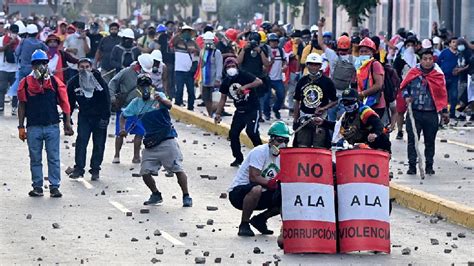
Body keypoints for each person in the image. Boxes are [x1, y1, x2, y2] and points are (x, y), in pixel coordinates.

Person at [119, 74, 192, 207]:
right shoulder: (136, 103)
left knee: (177, 168)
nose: (145, 89)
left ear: (151, 86)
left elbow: (170, 106)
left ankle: (186, 195)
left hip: (166, 139)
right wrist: (122, 129)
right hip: (151, 141)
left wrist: (162, 101)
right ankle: (156, 194)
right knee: (145, 171)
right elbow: (123, 115)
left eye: (147, 85)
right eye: (142, 86)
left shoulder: (159, 96)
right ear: (138, 89)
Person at [17, 49, 74, 197]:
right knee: (35, 158)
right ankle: (37, 186)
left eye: (43, 63)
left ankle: (54, 187)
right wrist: (21, 126)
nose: (40, 66)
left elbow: (64, 103)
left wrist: (67, 123)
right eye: (37, 63)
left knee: (53, 157)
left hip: (52, 126)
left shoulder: (54, 82)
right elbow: (22, 105)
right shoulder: (25, 83)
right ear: (32, 66)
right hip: (33, 127)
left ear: (47, 64)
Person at [228, 121, 290, 236]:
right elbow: (254, 177)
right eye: (280, 141)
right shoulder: (260, 152)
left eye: (286, 141)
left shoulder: (283, 157)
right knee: (256, 188)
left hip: (263, 193)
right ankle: (244, 224)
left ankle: (260, 219)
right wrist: (273, 184)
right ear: (271, 139)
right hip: (240, 194)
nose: (283, 145)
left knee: (286, 195)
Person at [400, 48, 449, 175]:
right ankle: (412, 166)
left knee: (430, 140)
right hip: (414, 112)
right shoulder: (413, 73)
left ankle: (429, 166)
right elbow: (404, 87)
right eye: (425, 59)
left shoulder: (438, 75)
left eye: (430, 59)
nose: (427, 62)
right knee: (412, 140)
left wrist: (444, 112)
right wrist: (406, 97)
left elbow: (442, 94)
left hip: (431, 113)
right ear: (420, 60)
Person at [67, 58, 110, 180]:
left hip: (99, 117)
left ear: (91, 67)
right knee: (81, 141)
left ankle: (95, 169)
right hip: (84, 117)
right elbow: (69, 102)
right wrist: (68, 118)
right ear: (77, 68)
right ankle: (79, 169)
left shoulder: (99, 81)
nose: (84, 69)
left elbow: (106, 99)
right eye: (82, 67)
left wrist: (105, 117)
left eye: (87, 67)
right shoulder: (73, 83)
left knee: (99, 144)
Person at [215, 57, 264, 166]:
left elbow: (259, 81)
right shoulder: (226, 82)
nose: (231, 69)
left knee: (252, 132)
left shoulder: (244, 75)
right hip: (240, 110)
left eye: (233, 66)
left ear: (237, 66)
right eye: (228, 67)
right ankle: (238, 158)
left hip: (252, 109)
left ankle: (262, 156)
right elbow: (223, 98)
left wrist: (246, 86)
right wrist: (218, 113)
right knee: (233, 134)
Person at [109, 53, 154, 164]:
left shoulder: (147, 75)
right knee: (121, 131)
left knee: (140, 132)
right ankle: (117, 155)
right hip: (126, 106)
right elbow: (112, 83)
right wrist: (112, 97)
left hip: (140, 107)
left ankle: (136, 156)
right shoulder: (126, 72)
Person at [315, 89, 391, 153]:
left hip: (378, 146)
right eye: (345, 102)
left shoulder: (365, 112)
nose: (347, 104)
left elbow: (379, 125)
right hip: (361, 148)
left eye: (349, 102)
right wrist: (323, 122)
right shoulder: (346, 116)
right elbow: (339, 128)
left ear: (356, 100)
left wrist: (375, 134)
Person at [293, 53, 337, 148]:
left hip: (320, 120)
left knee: (320, 147)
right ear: (307, 65)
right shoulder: (302, 81)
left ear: (320, 66)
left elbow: (335, 101)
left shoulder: (327, 82)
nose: (313, 67)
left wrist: (323, 108)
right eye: (311, 64)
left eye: (316, 64)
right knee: (302, 146)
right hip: (304, 119)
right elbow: (297, 101)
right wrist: (295, 120)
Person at [317, 19, 356, 121]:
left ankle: (331, 136)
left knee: (331, 120)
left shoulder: (333, 56)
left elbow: (321, 43)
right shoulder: (354, 60)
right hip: (346, 94)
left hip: (332, 94)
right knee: (344, 120)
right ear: (349, 48)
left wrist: (320, 27)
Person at [14, 24, 48, 115]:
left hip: (24, 69)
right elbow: (47, 49)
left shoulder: (23, 41)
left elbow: (17, 53)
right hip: (35, 70)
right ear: (36, 33)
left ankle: (20, 108)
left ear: (27, 33)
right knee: (34, 88)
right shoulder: (40, 43)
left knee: (21, 88)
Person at [237, 31, 270, 122]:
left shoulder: (262, 50)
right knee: (244, 97)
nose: (253, 44)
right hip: (246, 77)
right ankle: (245, 114)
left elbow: (267, 64)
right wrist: (244, 50)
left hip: (257, 77)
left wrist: (260, 52)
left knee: (259, 98)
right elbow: (238, 62)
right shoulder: (243, 49)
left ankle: (259, 115)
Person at [393, 36, 419, 139]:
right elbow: (395, 72)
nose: (410, 47)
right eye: (408, 45)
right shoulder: (400, 58)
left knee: (413, 110)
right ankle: (399, 130)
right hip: (402, 86)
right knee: (400, 110)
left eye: (412, 45)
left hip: (415, 87)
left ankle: (412, 130)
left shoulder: (417, 58)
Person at [355, 37, 386, 118]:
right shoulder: (360, 66)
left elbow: (378, 85)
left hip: (376, 104)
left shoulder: (375, 64)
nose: (363, 54)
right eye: (361, 51)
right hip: (364, 103)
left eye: (366, 51)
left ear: (372, 52)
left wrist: (362, 94)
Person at [173, 25, 199, 110]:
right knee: (179, 90)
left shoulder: (194, 43)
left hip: (189, 71)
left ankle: (190, 107)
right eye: (185, 32)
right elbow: (172, 42)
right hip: (179, 70)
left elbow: (198, 54)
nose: (187, 33)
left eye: (188, 32)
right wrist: (178, 33)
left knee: (191, 91)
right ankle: (177, 107)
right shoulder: (178, 42)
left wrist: (195, 51)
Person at [262, 33, 287, 120]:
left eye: (276, 41)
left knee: (281, 95)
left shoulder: (281, 51)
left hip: (278, 78)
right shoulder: (265, 51)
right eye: (272, 41)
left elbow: (284, 61)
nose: (274, 43)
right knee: (266, 97)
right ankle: (266, 113)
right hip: (267, 78)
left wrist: (284, 66)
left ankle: (276, 109)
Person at [199, 31, 223, 117]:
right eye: (206, 40)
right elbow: (201, 65)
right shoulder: (202, 52)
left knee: (215, 99)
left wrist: (218, 79)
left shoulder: (216, 52)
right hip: (205, 80)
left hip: (214, 80)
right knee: (206, 98)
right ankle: (209, 113)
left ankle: (215, 113)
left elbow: (219, 66)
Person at [0, 24, 20, 113]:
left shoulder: (19, 41)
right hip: (3, 68)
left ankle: (14, 107)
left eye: (16, 32)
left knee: (15, 89)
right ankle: (1, 106)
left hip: (15, 68)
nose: (14, 34)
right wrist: (9, 44)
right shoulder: (2, 39)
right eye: (13, 32)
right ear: (9, 31)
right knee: (2, 88)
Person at [438, 37, 459, 119]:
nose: (455, 44)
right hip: (444, 77)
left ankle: (452, 113)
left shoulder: (459, 54)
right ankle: (444, 111)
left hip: (455, 78)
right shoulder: (444, 53)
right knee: (444, 95)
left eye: (456, 42)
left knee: (454, 96)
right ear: (450, 44)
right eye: (453, 42)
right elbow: (438, 63)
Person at [158, 21, 176, 100]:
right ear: (166, 27)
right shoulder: (163, 37)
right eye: (169, 26)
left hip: (176, 61)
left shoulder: (176, 37)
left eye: (172, 26)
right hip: (166, 60)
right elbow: (158, 47)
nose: (171, 27)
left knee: (173, 80)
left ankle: (172, 96)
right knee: (167, 79)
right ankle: (168, 96)